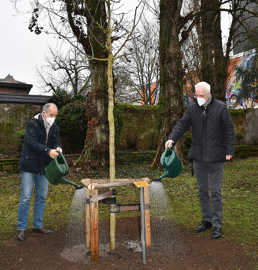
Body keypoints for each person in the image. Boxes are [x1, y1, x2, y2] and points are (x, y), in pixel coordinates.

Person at [165, 81, 235, 240]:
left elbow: (229, 130)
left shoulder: (220, 108)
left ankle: (217, 226)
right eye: (196, 95)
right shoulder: (192, 108)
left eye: (201, 96)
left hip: (217, 158)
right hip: (199, 157)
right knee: (203, 191)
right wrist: (172, 139)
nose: (198, 98)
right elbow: (181, 124)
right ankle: (206, 221)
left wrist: (230, 150)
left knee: (215, 192)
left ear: (209, 94)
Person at [17, 103, 62, 241]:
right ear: (44, 114)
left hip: (44, 167)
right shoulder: (33, 124)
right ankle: (21, 228)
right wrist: (48, 151)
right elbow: (31, 143)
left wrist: (58, 147)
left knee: (41, 197)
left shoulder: (54, 127)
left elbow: (56, 140)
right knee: (25, 197)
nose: (53, 118)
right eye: (51, 115)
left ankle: (37, 226)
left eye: (55, 116)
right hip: (29, 166)